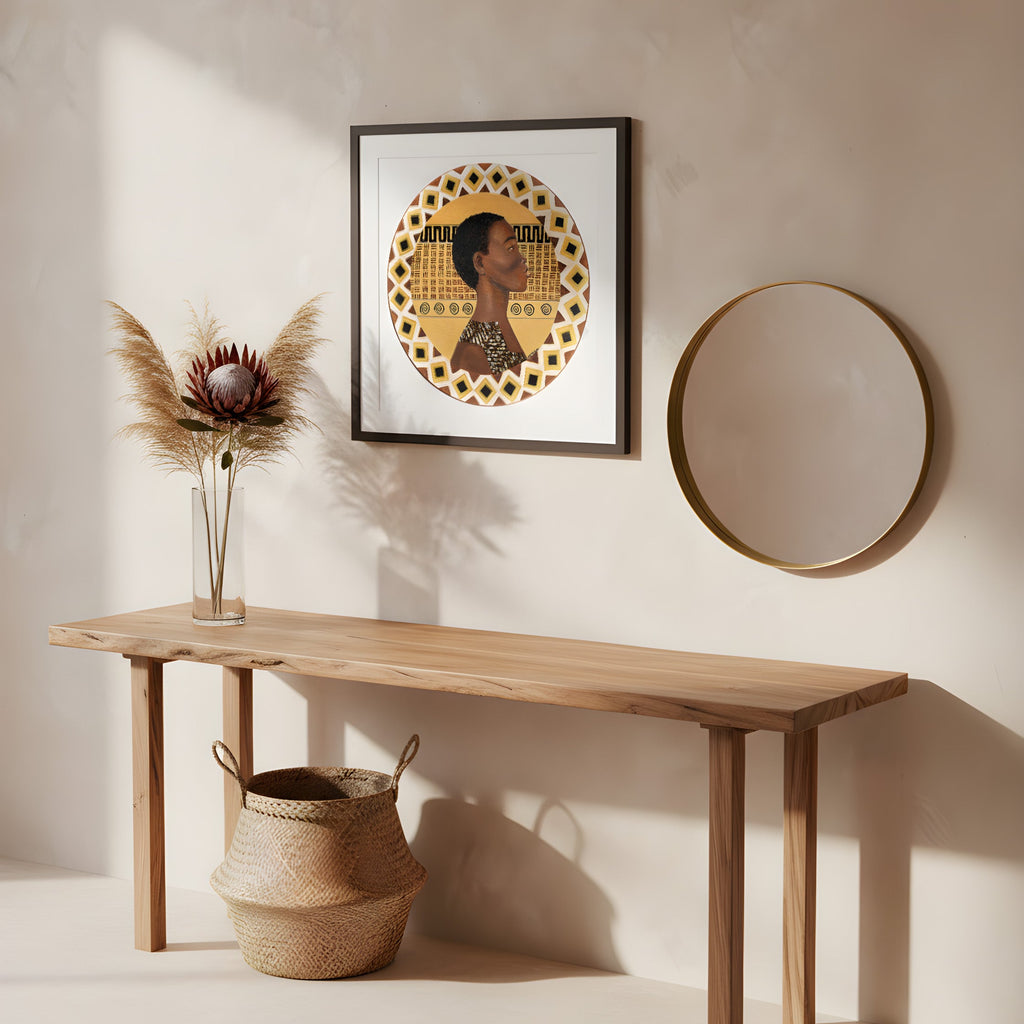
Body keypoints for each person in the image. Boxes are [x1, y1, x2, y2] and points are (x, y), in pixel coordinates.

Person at [450, 212, 532, 377]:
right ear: (480, 263)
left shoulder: (498, 328)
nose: (522, 258)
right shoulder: (473, 352)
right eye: (510, 248)